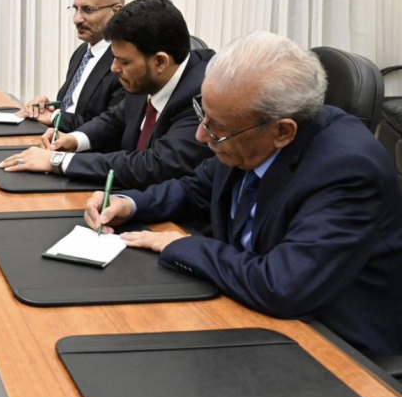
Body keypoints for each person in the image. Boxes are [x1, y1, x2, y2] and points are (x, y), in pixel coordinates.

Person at [84, 32, 402, 358]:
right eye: (202, 114)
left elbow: (282, 285)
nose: (201, 134)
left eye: (217, 128)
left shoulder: (348, 169)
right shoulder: (245, 132)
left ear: (282, 131)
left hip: (332, 346)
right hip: (242, 306)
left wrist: (180, 244)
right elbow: (195, 188)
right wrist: (130, 203)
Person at [0, 0, 215, 189]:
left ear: (160, 61)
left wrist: (59, 161)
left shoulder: (202, 96)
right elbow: (116, 119)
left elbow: (154, 166)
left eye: (124, 62)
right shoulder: (148, 77)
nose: (114, 68)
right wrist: (74, 140)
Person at [19, 0, 126, 132]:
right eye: (76, 9)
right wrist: (48, 107)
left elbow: (110, 128)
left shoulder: (124, 62)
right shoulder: (83, 51)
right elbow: (75, 108)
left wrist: (56, 117)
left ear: (116, 11)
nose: (76, 19)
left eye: (88, 10)